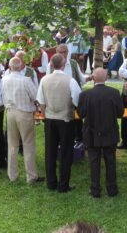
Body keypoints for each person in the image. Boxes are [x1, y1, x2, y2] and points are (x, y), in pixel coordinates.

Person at [37, 54, 82, 192]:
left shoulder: (44, 79)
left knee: (50, 151)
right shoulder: (70, 80)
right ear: (63, 65)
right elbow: (77, 100)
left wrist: (45, 114)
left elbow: (41, 101)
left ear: (51, 65)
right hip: (66, 119)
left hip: (50, 119)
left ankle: (51, 183)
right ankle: (63, 184)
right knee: (66, 152)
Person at [77, 68, 123, 198]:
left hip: (91, 131)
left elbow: (81, 113)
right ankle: (112, 188)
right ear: (106, 78)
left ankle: (95, 188)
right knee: (110, 160)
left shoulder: (85, 95)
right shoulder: (114, 93)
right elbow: (120, 113)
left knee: (94, 160)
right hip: (110, 131)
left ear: (93, 78)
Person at [1, 57, 44, 183]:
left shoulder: (4, 79)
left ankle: (12, 175)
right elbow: (36, 96)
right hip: (24, 113)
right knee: (28, 144)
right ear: (20, 67)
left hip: (10, 112)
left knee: (12, 144)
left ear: (10, 67)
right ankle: (31, 176)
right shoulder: (25, 80)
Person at [46, 44, 91, 144]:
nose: (63, 54)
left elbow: (81, 78)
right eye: (60, 52)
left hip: (73, 96)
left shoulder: (73, 63)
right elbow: (47, 80)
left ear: (68, 52)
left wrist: (89, 77)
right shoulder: (51, 65)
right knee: (61, 121)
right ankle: (61, 141)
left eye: (65, 52)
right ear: (56, 53)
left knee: (77, 120)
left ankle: (79, 140)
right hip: (58, 97)